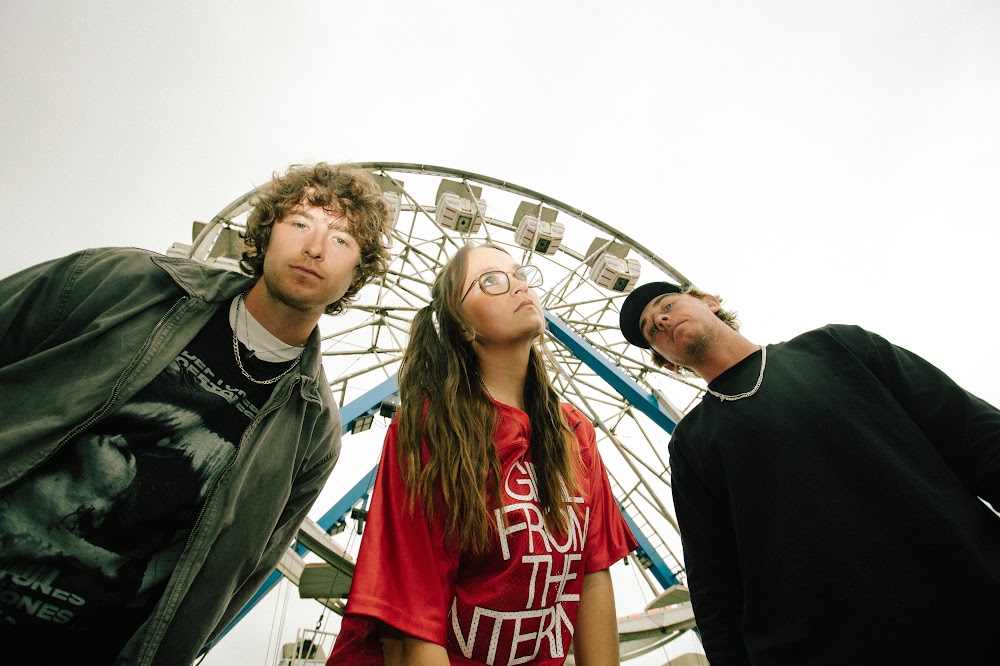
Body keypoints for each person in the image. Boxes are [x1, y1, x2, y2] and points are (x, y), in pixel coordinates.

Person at [0, 162, 393, 664]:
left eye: (341, 240)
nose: (314, 247)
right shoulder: (125, 284)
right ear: (265, 232)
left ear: (357, 273)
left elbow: (238, 578)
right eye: (299, 223)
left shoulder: (314, 436)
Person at [618, 281, 1000, 664]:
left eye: (666, 304)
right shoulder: (690, 444)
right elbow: (714, 583)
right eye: (652, 330)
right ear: (666, 361)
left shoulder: (838, 347)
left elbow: (971, 433)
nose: (662, 319)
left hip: (972, 602)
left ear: (710, 302)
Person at [329, 242, 638, 665]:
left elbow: (592, 575)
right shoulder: (431, 428)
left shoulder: (574, 431)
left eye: (520, 274)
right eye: (491, 281)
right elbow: (415, 621)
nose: (517, 287)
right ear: (462, 328)